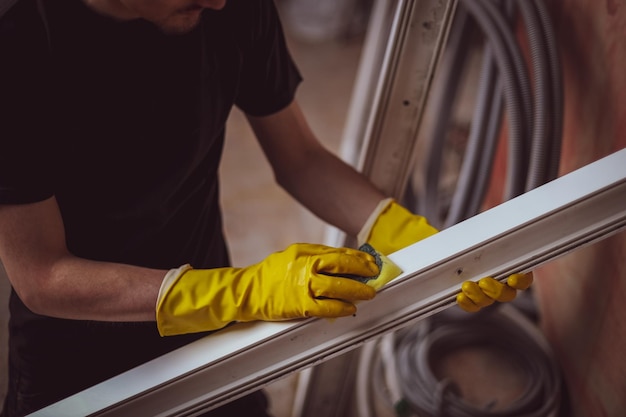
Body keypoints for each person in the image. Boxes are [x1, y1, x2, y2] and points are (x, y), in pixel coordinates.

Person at [0, 0, 532, 415]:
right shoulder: (19, 42)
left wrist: (415, 236)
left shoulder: (228, 6)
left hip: (208, 322)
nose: (218, 2)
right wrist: (246, 289)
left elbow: (300, 157)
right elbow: (42, 275)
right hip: (75, 358)